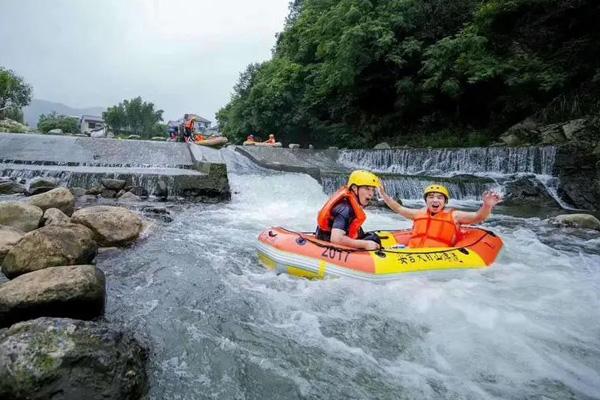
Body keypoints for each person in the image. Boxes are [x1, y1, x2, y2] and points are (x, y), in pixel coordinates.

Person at [379, 184, 502, 248]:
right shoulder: (418, 214)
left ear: (445, 202)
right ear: (426, 200)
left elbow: (478, 217)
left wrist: (487, 205)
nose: (435, 200)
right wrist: (384, 195)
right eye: (431, 197)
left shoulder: (455, 215)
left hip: (438, 257)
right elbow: (399, 208)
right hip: (412, 252)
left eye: (439, 197)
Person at [315, 170, 382, 250]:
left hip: (332, 235)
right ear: (354, 188)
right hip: (327, 241)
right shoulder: (345, 208)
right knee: (372, 240)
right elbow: (336, 239)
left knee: (374, 238)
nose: (371, 193)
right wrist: (365, 244)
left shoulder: (351, 203)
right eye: (367, 189)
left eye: (373, 190)